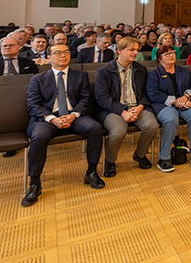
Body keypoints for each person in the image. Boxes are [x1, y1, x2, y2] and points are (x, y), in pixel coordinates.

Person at [22, 43, 105, 207]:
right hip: (48, 118)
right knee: (39, 136)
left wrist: (73, 115)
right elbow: (33, 105)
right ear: (49, 57)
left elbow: (85, 99)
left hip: (73, 116)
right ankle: (35, 183)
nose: (63, 55)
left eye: (66, 52)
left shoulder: (80, 75)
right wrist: (53, 118)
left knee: (95, 128)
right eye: (58, 53)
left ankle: (91, 172)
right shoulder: (38, 79)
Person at [93, 37, 158, 176]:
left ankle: (140, 155)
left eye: (136, 50)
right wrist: (122, 111)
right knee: (118, 131)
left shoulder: (140, 69)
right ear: (119, 51)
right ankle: (110, 161)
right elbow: (102, 98)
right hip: (113, 109)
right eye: (131, 50)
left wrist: (140, 107)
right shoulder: (104, 71)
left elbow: (146, 93)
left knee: (152, 126)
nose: (135, 53)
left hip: (136, 107)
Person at [146, 45, 191, 172]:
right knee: (171, 119)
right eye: (167, 54)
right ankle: (164, 158)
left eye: (172, 53)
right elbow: (153, 94)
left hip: (184, 101)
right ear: (159, 58)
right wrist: (176, 101)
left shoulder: (183, 71)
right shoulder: (154, 74)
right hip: (163, 104)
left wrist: (186, 96)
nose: (171, 55)